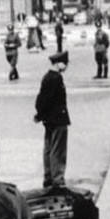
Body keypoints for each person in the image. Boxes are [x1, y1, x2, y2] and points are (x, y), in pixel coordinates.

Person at [35, 50, 70, 189]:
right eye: (65, 63)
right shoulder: (55, 78)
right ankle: (58, 180)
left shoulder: (47, 77)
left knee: (49, 149)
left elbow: (40, 99)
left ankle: (48, 178)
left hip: (49, 119)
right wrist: (41, 114)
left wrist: (41, 115)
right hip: (58, 119)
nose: (67, 66)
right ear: (59, 64)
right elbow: (47, 99)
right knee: (58, 150)